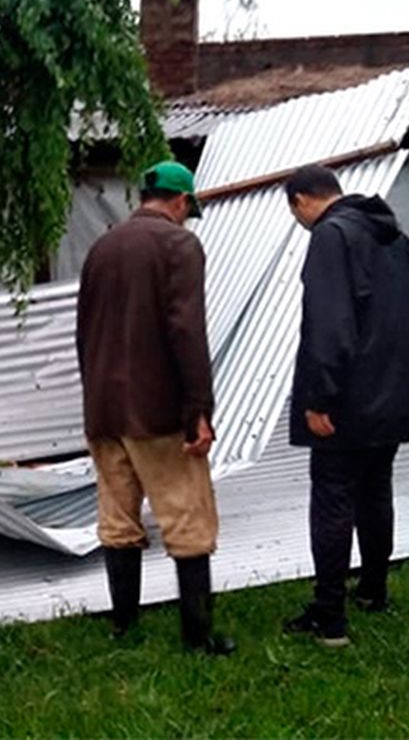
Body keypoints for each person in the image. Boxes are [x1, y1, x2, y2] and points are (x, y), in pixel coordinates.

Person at [280, 164, 409, 648]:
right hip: (394, 393)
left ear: (299, 201)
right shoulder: (390, 234)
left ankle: (329, 617)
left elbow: (329, 325)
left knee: (333, 497)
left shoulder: (330, 236)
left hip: (350, 401)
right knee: (375, 490)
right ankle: (374, 590)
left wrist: (318, 398)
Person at [76, 159, 235, 656]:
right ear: (182, 202)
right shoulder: (180, 245)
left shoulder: (103, 246)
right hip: (157, 412)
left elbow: (85, 332)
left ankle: (124, 628)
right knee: (189, 522)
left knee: (117, 521)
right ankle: (197, 638)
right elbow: (187, 330)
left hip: (104, 409)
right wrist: (198, 409)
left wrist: (95, 396)